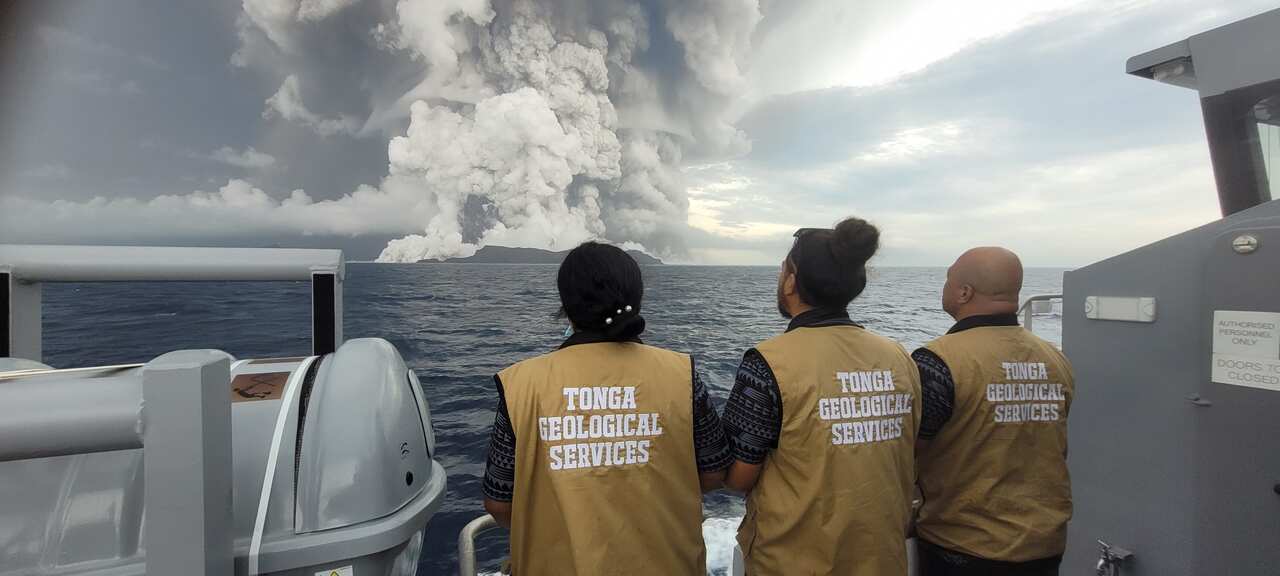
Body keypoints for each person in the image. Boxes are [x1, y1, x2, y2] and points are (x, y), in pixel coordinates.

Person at [481, 241, 731, 575]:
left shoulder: (521, 384)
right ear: (637, 298)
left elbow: (499, 503)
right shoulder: (681, 375)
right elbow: (714, 473)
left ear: (566, 306)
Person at [720, 217, 922, 575]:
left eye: (783, 269)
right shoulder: (900, 357)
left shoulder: (768, 363)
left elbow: (738, 477)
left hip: (793, 562)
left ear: (792, 281)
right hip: (881, 559)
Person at [913, 247, 1074, 576]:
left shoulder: (938, 361)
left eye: (947, 278)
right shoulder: (1055, 359)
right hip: (1044, 546)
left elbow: (910, 449)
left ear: (964, 292)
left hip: (961, 546)